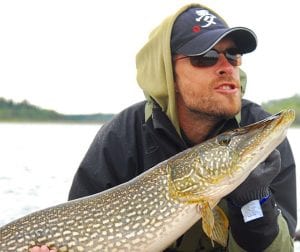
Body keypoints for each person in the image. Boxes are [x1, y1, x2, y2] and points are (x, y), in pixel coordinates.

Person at [31, 3, 296, 252]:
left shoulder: (260, 134)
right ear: (168, 73)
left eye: (233, 55)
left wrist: (253, 202)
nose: (226, 67)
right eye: (206, 57)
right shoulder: (123, 136)